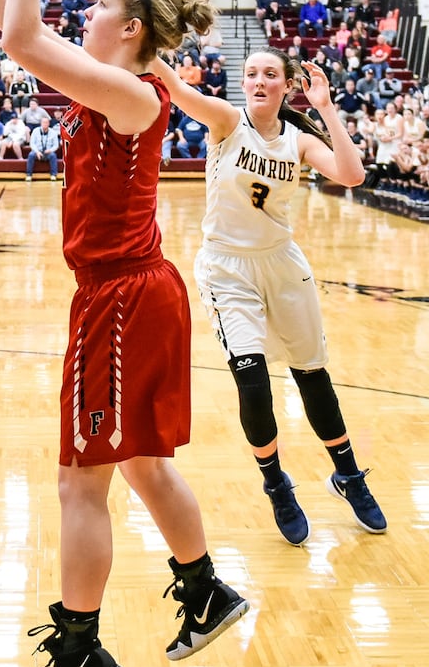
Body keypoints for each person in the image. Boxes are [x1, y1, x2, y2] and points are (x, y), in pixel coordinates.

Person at [0, 0, 248, 667]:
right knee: (138, 464)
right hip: (131, 294)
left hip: (123, 299)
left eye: (91, 8)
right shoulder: (125, 84)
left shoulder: (128, 92)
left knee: (79, 485)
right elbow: (10, 24)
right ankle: (204, 593)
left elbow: (19, 39)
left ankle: (82, 652)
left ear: (128, 31)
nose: (77, 17)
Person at [157, 48, 385, 544]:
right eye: (251, 74)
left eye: (270, 75)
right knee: (254, 384)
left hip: (282, 265)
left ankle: (347, 475)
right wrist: (148, 45)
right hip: (227, 269)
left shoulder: (299, 141)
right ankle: (277, 483)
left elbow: (351, 175)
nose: (259, 81)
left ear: (286, 85)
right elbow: (177, 90)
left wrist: (325, 106)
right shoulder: (225, 121)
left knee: (312, 376)